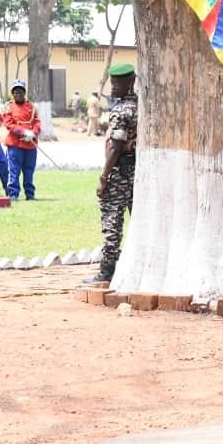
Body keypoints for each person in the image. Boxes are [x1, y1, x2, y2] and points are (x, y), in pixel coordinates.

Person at [85, 64, 138, 284]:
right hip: (138, 173)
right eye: (112, 82)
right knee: (137, 220)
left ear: (130, 83)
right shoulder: (141, 106)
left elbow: (116, 146)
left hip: (119, 174)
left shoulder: (121, 111)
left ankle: (107, 271)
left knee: (111, 223)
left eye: (118, 83)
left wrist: (103, 178)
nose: (114, 87)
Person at [1, 79, 41, 201]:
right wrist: (24, 132)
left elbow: (37, 122)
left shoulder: (32, 107)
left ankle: (30, 194)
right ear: (12, 94)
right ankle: (13, 194)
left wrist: (33, 133)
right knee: (14, 170)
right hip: (15, 144)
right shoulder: (8, 107)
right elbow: (9, 124)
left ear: (24, 92)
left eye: (20, 91)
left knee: (29, 170)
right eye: (15, 92)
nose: (18, 94)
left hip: (30, 144)